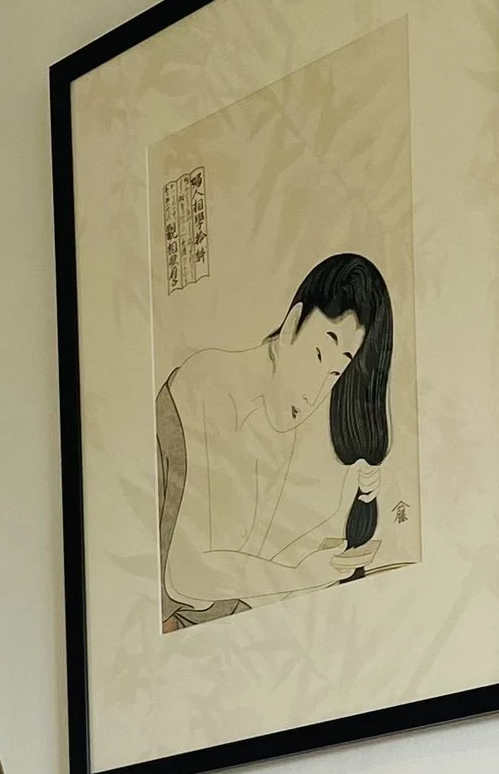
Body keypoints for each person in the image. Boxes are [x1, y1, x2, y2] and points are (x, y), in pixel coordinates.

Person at [157, 253, 399, 628]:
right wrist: (299, 575)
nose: (314, 392)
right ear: (290, 327)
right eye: (318, 354)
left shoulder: (290, 415)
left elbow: (255, 565)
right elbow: (185, 574)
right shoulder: (210, 382)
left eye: (336, 372)